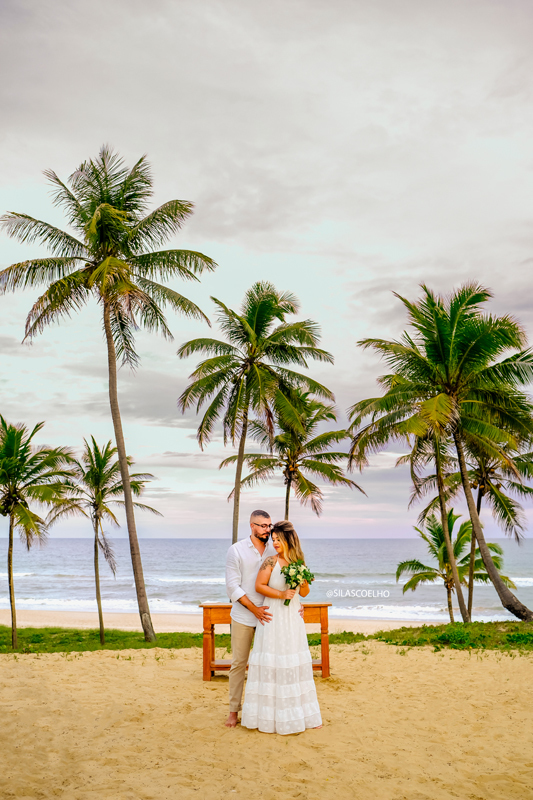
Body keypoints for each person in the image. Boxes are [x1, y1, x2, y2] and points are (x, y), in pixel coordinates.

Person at [240, 520, 323, 735]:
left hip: (292, 618)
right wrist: (281, 594)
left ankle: (303, 714)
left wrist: (302, 579)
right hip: (273, 616)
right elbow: (259, 586)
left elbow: (304, 593)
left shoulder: (299, 562)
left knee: (293, 660)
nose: (275, 543)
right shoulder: (270, 561)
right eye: (273, 539)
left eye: (278, 539)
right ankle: (268, 717)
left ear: (288, 540)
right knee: (273, 659)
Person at [224, 509, 276, 728]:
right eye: (263, 525)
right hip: (244, 616)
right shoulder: (236, 550)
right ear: (252, 526)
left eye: (269, 525)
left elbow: (285, 579)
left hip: (271, 616)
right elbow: (232, 586)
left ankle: (266, 710)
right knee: (239, 664)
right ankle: (233, 711)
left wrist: (296, 604)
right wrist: (254, 609)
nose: (267, 530)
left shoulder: (276, 548)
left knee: (269, 664)